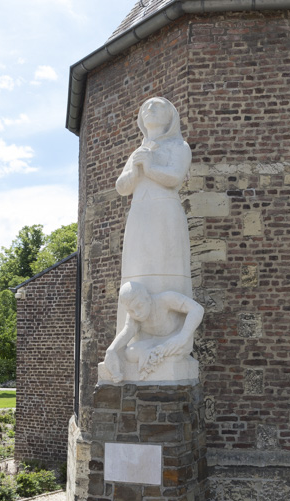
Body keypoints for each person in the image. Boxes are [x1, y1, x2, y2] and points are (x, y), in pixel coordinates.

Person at [114, 97, 193, 338]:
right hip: (140, 213)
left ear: (171, 117)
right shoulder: (139, 151)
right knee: (138, 269)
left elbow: (175, 178)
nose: (150, 109)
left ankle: (169, 335)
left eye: (158, 106)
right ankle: (132, 337)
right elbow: (122, 186)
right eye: (146, 106)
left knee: (166, 265)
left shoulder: (179, 147)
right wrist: (136, 170)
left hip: (164, 214)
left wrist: (149, 168)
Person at [100, 281, 203, 384]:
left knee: (171, 352)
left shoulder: (166, 299)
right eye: (130, 311)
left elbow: (197, 309)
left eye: (139, 306)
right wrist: (111, 350)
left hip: (177, 339)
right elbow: (127, 332)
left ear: (147, 298)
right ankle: (152, 357)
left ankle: (155, 357)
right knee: (130, 353)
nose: (137, 313)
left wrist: (183, 336)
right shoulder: (133, 316)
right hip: (155, 342)